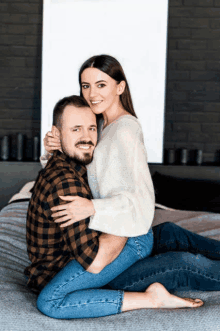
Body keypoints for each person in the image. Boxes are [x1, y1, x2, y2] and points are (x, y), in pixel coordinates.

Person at [42, 55, 220, 301]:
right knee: (170, 233)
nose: (91, 93)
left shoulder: (124, 131)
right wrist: (57, 148)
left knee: (182, 265)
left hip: (125, 229)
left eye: (101, 84)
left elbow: (138, 198)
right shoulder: (100, 123)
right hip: (119, 225)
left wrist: (92, 206)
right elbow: (85, 169)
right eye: (86, 85)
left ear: (120, 87)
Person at [28, 95, 204, 321]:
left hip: (125, 238)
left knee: (49, 302)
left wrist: (125, 219)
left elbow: (95, 262)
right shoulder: (71, 170)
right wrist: (53, 149)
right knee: (170, 234)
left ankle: (154, 297)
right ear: (57, 133)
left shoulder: (75, 167)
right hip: (112, 241)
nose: (86, 136)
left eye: (92, 128)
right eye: (76, 129)